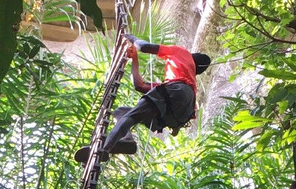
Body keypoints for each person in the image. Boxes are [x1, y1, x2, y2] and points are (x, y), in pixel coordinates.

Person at [75, 34, 212, 163]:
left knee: (131, 116)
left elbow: (145, 47)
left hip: (176, 92)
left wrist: (132, 38)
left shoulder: (182, 53)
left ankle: (103, 149)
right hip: (179, 114)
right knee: (122, 112)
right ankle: (127, 141)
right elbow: (139, 85)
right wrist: (135, 58)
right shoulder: (185, 81)